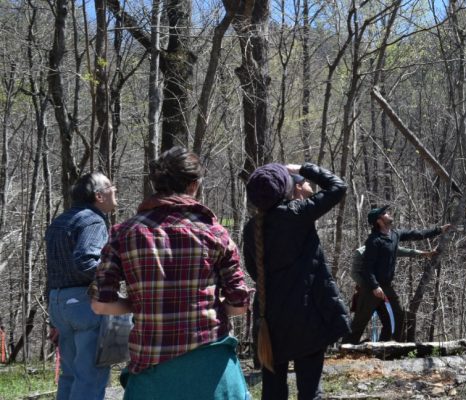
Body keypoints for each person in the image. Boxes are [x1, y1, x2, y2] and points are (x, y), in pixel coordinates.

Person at [90, 147, 252, 399]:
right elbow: (239, 306)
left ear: (156, 184)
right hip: (211, 368)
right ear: (194, 184)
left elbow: (101, 305)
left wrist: (144, 302)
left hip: (152, 370)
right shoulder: (216, 233)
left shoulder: (124, 233)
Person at [243, 162, 351, 400]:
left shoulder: (251, 228)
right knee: (310, 391)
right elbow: (338, 186)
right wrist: (303, 168)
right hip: (307, 319)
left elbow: (254, 270)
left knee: (272, 392)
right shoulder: (297, 214)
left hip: (269, 322)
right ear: (285, 189)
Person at [45, 172, 117, 400]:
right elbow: (86, 260)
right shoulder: (93, 220)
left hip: (59, 303)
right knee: (90, 377)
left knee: (71, 375)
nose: (115, 190)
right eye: (111, 188)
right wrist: (115, 275)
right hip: (84, 304)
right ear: (99, 196)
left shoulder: (60, 221)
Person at [345, 205, 450, 344]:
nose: (388, 214)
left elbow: (416, 234)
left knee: (399, 318)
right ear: (379, 220)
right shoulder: (373, 241)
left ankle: (387, 348)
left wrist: (439, 230)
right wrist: (375, 286)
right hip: (371, 289)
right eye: (385, 213)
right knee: (360, 322)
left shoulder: (394, 234)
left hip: (387, 287)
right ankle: (344, 350)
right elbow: (366, 268)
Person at [348, 244, 436, 342]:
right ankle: (345, 350)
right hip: (368, 292)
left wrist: (424, 254)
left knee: (396, 319)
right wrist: (370, 287)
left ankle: (383, 349)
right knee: (359, 324)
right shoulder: (361, 252)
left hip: (386, 290)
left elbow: (406, 251)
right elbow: (354, 273)